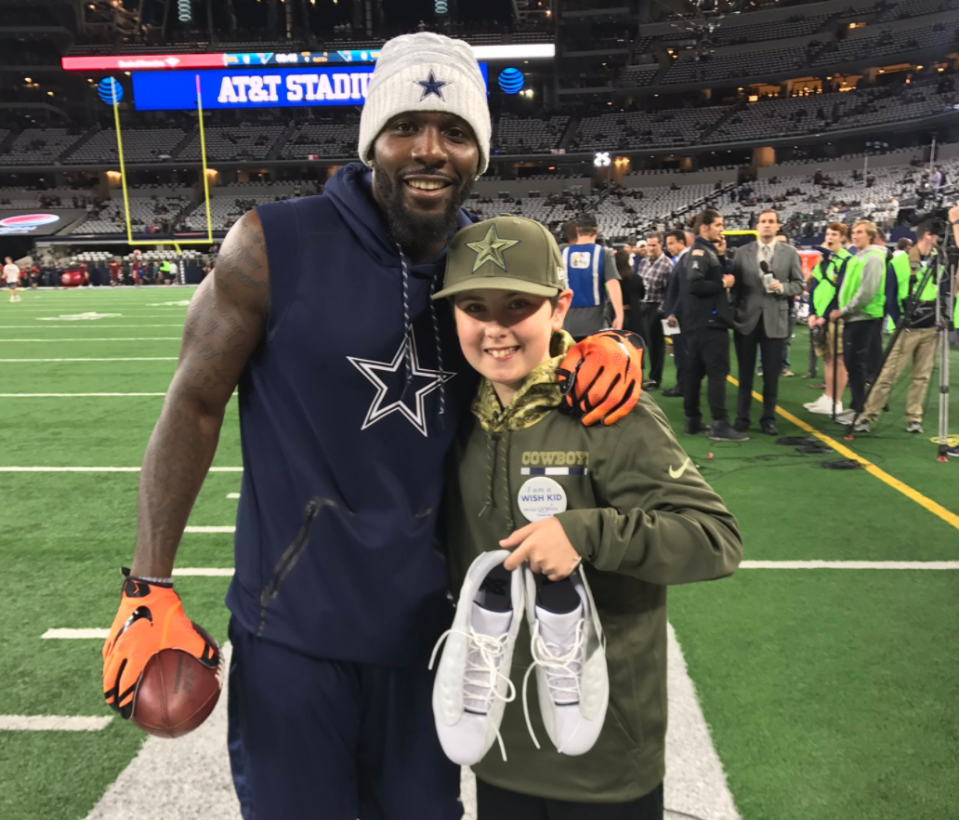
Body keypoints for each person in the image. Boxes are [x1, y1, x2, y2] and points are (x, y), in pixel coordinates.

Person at [99, 32, 640, 820]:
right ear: (371, 140)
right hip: (292, 632)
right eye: (405, 128)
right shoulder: (272, 242)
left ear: (478, 153)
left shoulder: (483, 259)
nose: (429, 150)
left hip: (434, 635)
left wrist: (607, 346)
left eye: (454, 132)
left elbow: (539, 347)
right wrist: (148, 585)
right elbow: (193, 400)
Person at [434, 213, 743, 820]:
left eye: (517, 305)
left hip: (605, 751)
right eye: (475, 307)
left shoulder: (607, 408)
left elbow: (715, 539)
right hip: (496, 734)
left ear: (559, 305)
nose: (494, 329)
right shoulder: (449, 415)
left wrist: (585, 532)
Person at [854, 222, 942, 434]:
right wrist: (900, 319)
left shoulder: (940, 260)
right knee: (887, 375)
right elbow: (889, 295)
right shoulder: (899, 260)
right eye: (939, 235)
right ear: (928, 235)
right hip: (907, 327)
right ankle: (867, 416)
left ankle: (914, 417)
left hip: (931, 329)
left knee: (922, 377)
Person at [731, 210, 804, 436]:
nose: (766, 225)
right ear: (757, 225)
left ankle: (768, 419)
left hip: (776, 320)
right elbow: (736, 288)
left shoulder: (790, 253)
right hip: (747, 320)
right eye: (763, 222)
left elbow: (799, 284)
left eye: (771, 222)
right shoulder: (742, 252)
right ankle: (742, 418)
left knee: (771, 375)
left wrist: (783, 288)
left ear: (777, 226)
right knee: (744, 373)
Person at [682, 209, 747, 441]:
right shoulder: (700, 251)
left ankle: (692, 420)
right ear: (704, 228)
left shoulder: (705, 251)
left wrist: (720, 258)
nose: (722, 229)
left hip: (698, 322)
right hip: (709, 324)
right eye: (718, 225)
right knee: (717, 373)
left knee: (695, 374)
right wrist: (723, 282)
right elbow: (696, 284)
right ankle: (719, 423)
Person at [829, 220, 887, 424]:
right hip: (854, 318)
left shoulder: (873, 258)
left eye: (860, 232)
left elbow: (866, 293)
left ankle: (861, 409)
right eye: (854, 232)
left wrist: (843, 310)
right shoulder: (858, 257)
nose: (855, 235)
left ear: (870, 235)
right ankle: (856, 405)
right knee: (853, 363)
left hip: (863, 317)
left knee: (857, 364)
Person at [804, 223, 852, 416]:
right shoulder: (822, 262)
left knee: (839, 359)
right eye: (828, 234)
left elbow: (841, 291)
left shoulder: (846, 261)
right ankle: (828, 397)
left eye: (834, 234)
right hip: (821, 317)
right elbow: (814, 288)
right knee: (827, 357)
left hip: (835, 317)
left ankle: (837, 401)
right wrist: (812, 313)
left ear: (842, 238)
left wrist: (824, 316)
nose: (830, 237)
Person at [561, 212, 624, 341]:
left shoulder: (562, 253)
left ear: (578, 230)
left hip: (567, 324)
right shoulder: (603, 253)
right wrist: (619, 314)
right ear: (596, 230)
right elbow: (613, 284)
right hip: (596, 324)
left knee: (572, 360)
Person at [635, 231, 672, 389]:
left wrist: (660, 311)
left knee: (656, 346)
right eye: (648, 245)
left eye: (653, 245)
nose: (650, 248)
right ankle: (641, 377)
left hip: (656, 307)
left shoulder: (667, 264)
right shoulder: (643, 262)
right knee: (643, 344)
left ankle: (655, 379)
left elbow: (669, 291)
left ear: (661, 245)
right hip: (642, 306)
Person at [661, 229, 691, 397]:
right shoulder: (681, 260)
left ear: (682, 241)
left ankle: (683, 386)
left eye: (672, 243)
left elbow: (683, 291)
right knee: (678, 351)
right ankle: (683, 384)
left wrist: (674, 313)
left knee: (681, 352)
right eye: (667, 244)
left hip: (678, 317)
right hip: (675, 316)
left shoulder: (685, 260)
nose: (669, 247)